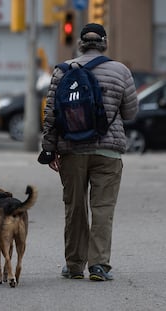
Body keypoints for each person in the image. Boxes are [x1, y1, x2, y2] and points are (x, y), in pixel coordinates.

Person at [38, 23, 138, 281]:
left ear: (80, 43)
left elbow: (50, 114)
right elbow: (131, 113)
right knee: (103, 208)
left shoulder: (62, 71)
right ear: (104, 42)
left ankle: (73, 266)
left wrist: (49, 149)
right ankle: (99, 266)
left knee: (75, 208)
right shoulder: (121, 71)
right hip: (108, 151)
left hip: (71, 150)